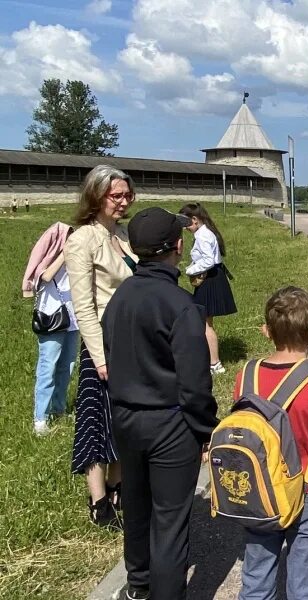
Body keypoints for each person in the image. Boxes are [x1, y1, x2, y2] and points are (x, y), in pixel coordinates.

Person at [103, 207, 219, 600]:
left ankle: (137, 585)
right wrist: (206, 429)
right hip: (170, 422)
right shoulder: (181, 304)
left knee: (137, 505)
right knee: (170, 521)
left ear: (136, 250)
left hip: (125, 416)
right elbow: (194, 384)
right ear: (177, 246)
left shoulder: (120, 296)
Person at [234, 286, 308, 600]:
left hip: (259, 490)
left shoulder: (247, 375)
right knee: (304, 584)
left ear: (266, 331)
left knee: (256, 576)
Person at [64, 164, 137, 527]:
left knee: (125, 417)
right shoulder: (81, 240)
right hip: (102, 343)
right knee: (96, 421)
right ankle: (98, 500)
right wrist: (99, 356)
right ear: (97, 196)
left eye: (127, 195)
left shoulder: (124, 235)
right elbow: (84, 306)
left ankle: (118, 481)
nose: (124, 201)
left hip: (131, 341)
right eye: (116, 196)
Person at [23, 223, 79, 435]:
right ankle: (40, 419)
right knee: (48, 368)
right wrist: (64, 254)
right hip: (51, 317)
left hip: (73, 319)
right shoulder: (49, 261)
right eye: (70, 239)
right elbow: (45, 277)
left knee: (68, 367)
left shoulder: (75, 261)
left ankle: (59, 408)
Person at [178, 203, 237, 375]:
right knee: (205, 321)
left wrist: (190, 270)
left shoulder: (203, 236)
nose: (186, 228)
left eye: (186, 223)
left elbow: (208, 261)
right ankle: (210, 360)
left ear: (195, 220)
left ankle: (215, 363)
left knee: (205, 323)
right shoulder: (206, 232)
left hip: (210, 278)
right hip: (213, 276)